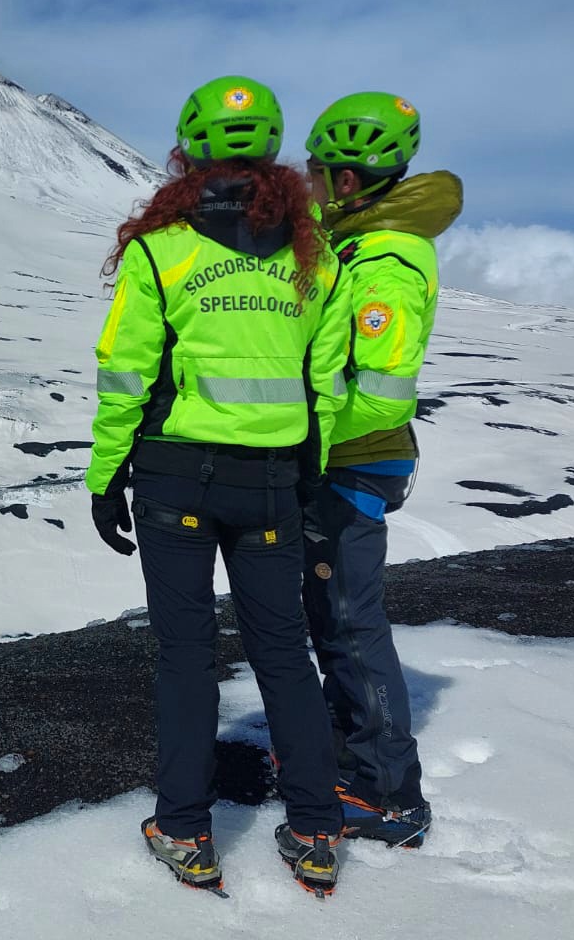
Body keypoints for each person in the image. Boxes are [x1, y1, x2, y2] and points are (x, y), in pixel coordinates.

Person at [86, 76, 354, 898]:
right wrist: (310, 473)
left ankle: (186, 830)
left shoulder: (160, 249)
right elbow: (329, 386)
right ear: (272, 153)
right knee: (282, 654)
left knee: (186, 658)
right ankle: (314, 828)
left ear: (187, 151)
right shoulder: (317, 254)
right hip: (272, 483)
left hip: (173, 482)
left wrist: (105, 477)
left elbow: (124, 375)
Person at [299, 91, 463, 848]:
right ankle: (352, 761)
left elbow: (385, 387)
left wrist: (307, 438)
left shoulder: (387, 258)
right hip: (347, 458)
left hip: (354, 461)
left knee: (352, 624)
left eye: (320, 167)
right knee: (334, 621)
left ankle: (390, 794)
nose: (308, 177)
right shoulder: (361, 238)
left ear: (350, 178)